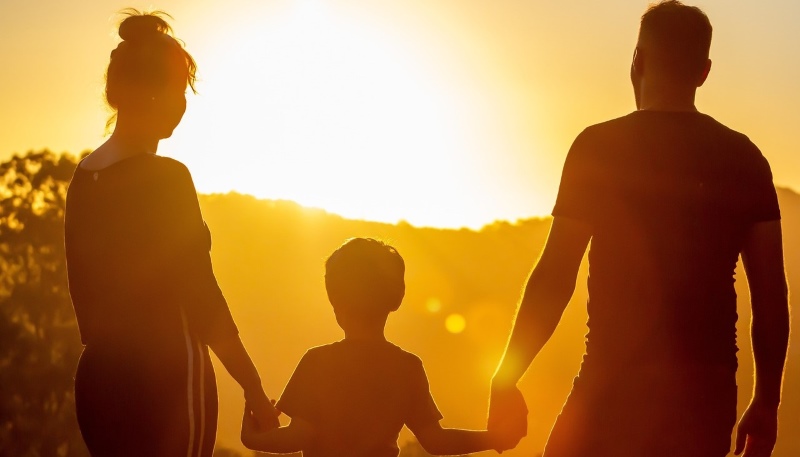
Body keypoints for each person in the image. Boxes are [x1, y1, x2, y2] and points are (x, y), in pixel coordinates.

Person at [488, 2, 789, 457]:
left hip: (610, 389)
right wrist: (768, 404)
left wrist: (507, 375)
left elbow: (555, 275)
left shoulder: (599, 147)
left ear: (637, 60)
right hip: (704, 400)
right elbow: (771, 299)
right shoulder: (745, 158)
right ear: (704, 71)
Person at [64, 10, 278, 456]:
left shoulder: (84, 178)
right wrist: (253, 387)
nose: (182, 104)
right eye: (179, 90)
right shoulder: (166, 177)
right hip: (167, 383)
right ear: (157, 95)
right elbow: (201, 296)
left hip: (99, 380)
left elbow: (83, 294)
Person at [241, 238, 521, 456]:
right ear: (396, 299)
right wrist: (494, 438)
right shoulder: (407, 367)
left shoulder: (317, 362)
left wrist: (253, 439)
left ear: (335, 301)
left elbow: (298, 436)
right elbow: (435, 440)